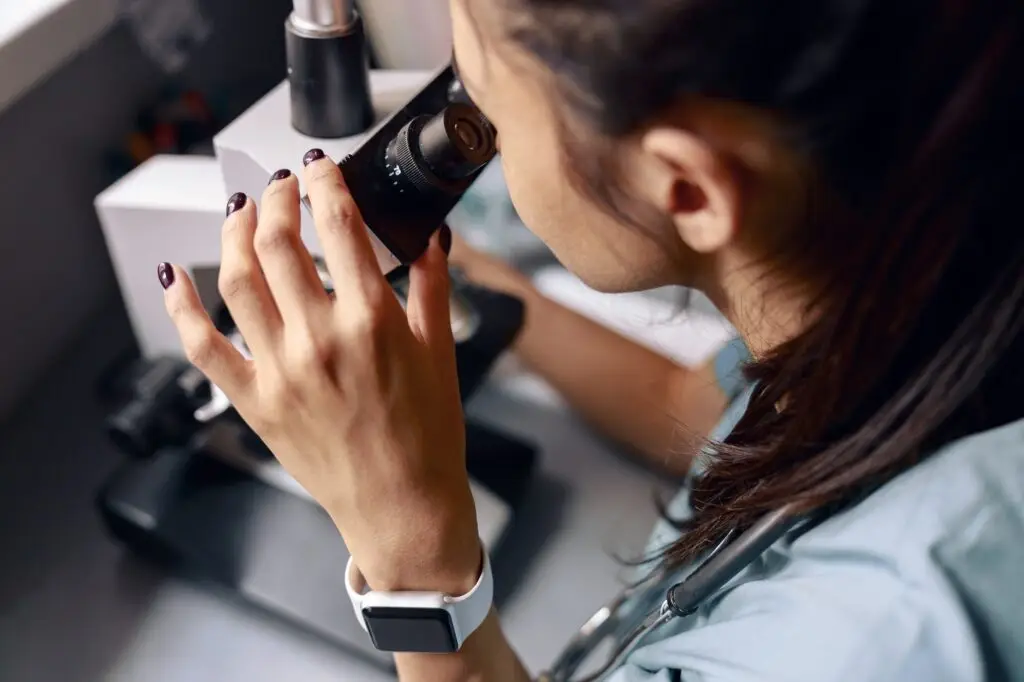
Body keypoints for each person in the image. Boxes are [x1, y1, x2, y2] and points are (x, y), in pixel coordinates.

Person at [155, 0, 1024, 679]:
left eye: (485, 103)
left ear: (683, 188)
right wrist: (487, 284)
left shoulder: (875, 642)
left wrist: (407, 550)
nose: (467, 130)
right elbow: (692, 406)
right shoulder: (912, 260)